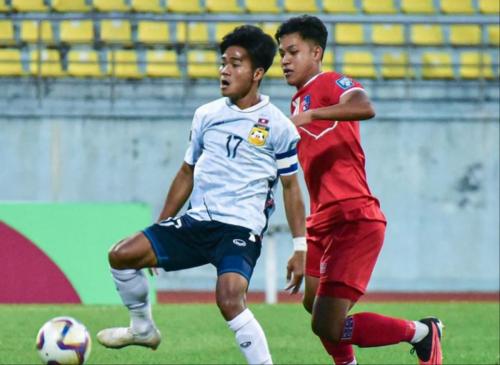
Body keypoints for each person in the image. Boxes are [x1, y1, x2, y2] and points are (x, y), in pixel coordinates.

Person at [96, 25, 307, 365]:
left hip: (240, 230)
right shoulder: (206, 115)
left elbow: (291, 187)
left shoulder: (279, 126)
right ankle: (142, 328)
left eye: (235, 64)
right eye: (223, 62)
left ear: (256, 73)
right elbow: (186, 172)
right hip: (198, 222)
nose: (224, 70)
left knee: (229, 298)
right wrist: (162, 223)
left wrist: (300, 247)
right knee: (120, 255)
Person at [275, 15, 443, 365]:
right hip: (321, 221)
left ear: (316, 52)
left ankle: (421, 332)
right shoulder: (295, 103)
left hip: (353, 216)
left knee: (327, 324)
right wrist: (300, 245)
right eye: (281, 54)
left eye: (293, 51)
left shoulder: (330, 82)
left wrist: (313, 116)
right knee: (312, 304)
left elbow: (364, 105)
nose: (285, 60)